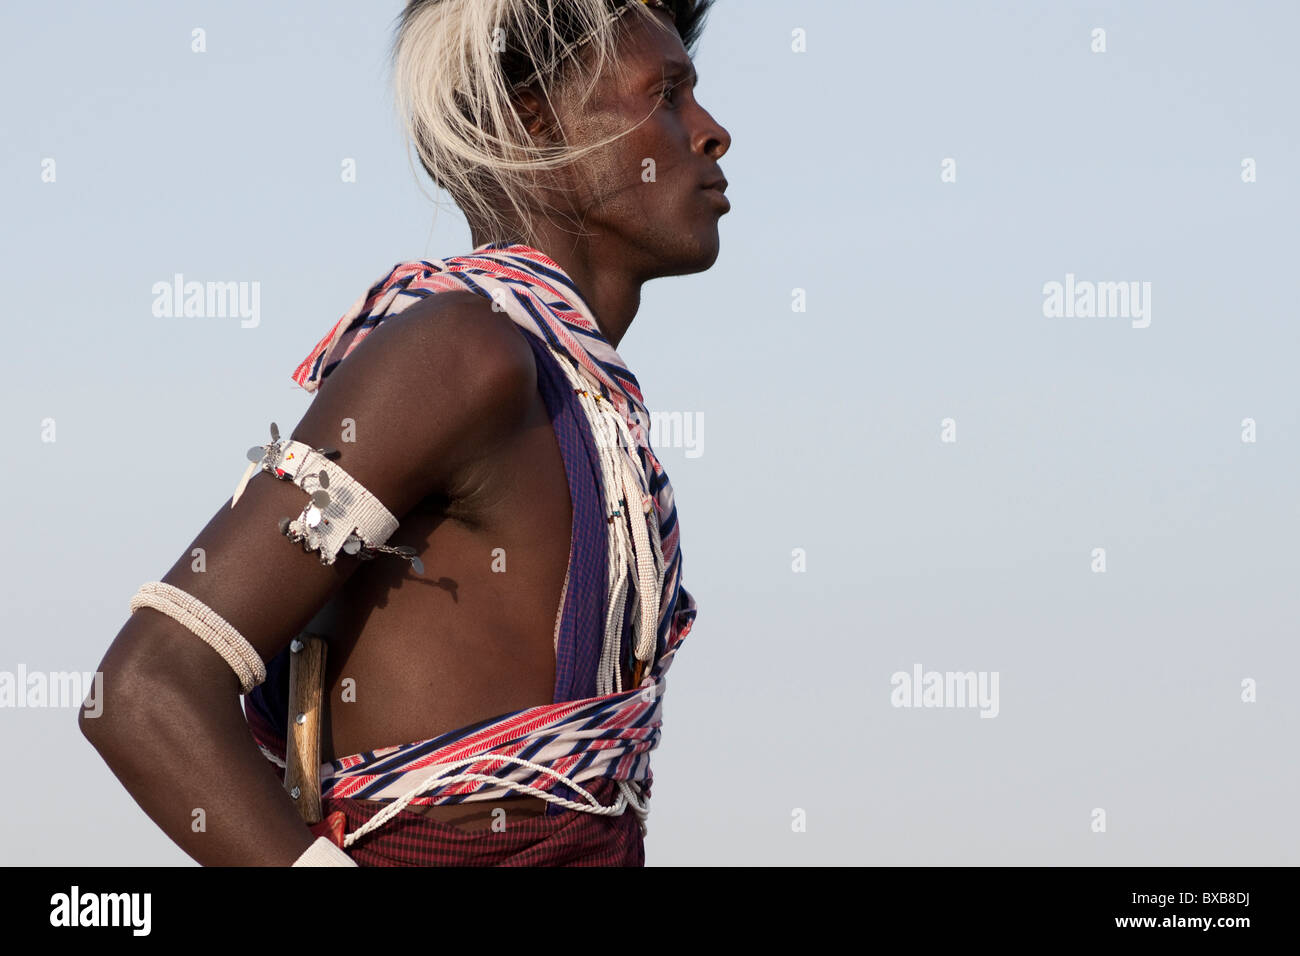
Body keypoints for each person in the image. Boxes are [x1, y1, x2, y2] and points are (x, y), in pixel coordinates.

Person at [79, 0, 730, 867]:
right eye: (669, 94)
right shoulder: (459, 352)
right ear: (532, 119)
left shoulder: (579, 397)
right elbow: (145, 687)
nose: (712, 131)